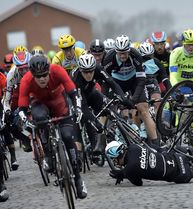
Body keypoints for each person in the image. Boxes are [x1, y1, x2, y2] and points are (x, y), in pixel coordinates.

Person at [18, 55, 87, 199]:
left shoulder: (57, 70)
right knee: (41, 119)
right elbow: (22, 108)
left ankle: (78, 179)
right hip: (39, 104)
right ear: (32, 75)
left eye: (44, 75)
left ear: (49, 71)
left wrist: (78, 108)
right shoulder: (26, 80)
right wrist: (26, 120)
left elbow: (74, 94)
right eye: (38, 76)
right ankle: (48, 155)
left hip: (59, 102)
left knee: (67, 136)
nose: (42, 79)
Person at [102, 35, 159, 146]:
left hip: (134, 81)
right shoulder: (109, 58)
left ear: (129, 50)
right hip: (116, 82)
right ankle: (101, 142)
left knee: (144, 109)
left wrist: (134, 100)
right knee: (105, 108)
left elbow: (141, 80)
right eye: (120, 53)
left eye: (125, 52)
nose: (123, 55)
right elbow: (105, 81)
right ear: (115, 51)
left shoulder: (135, 55)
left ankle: (156, 143)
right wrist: (105, 98)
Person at [71, 53, 128, 161]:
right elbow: (82, 106)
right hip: (77, 98)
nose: (88, 75)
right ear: (80, 70)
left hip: (91, 93)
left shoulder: (98, 68)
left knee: (108, 106)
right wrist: (95, 122)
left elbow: (112, 83)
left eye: (91, 71)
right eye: (85, 72)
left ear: (94, 68)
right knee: (83, 119)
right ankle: (83, 151)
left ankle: (113, 133)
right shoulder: (76, 77)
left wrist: (123, 98)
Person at [105, 140, 193, 186]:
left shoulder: (130, 169)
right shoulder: (133, 147)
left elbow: (138, 183)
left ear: (116, 156)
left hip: (180, 174)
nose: (116, 162)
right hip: (177, 157)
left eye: (115, 159)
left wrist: (123, 173)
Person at [3, 50, 34, 170]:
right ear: (16, 67)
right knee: (10, 124)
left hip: (34, 94)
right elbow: (7, 97)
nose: (24, 71)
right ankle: (26, 140)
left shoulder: (35, 69)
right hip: (20, 96)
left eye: (26, 68)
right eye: (21, 69)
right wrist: (7, 110)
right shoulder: (11, 74)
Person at [138, 42, 171, 113]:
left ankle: (159, 122)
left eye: (150, 56)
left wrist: (170, 90)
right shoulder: (136, 62)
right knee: (138, 109)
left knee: (158, 104)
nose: (148, 59)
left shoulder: (156, 61)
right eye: (145, 57)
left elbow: (164, 77)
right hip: (139, 85)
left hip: (152, 83)